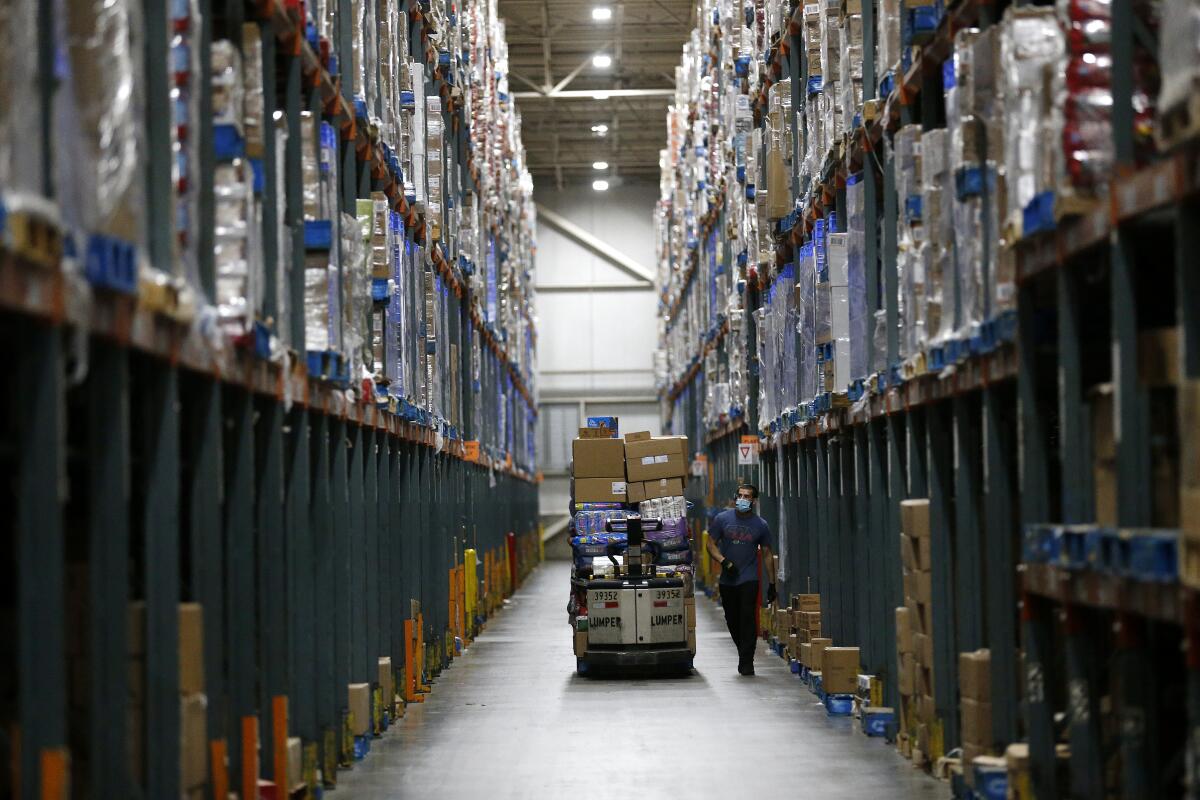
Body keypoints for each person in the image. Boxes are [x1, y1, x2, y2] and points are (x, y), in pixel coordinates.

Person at [705, 483, 776, 675]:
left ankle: (746, 661)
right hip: (728, 580)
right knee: (732, 619)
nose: (743, 500)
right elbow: (710, 544)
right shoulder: (722, 519)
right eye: (741, 496)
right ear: (736, 497)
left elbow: (768, 554)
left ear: (753, 501)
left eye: (747, 497)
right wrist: (723, 560)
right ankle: (743, 650)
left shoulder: (760, 525)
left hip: (749, 578)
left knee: (747, 617)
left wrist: (772, 583)